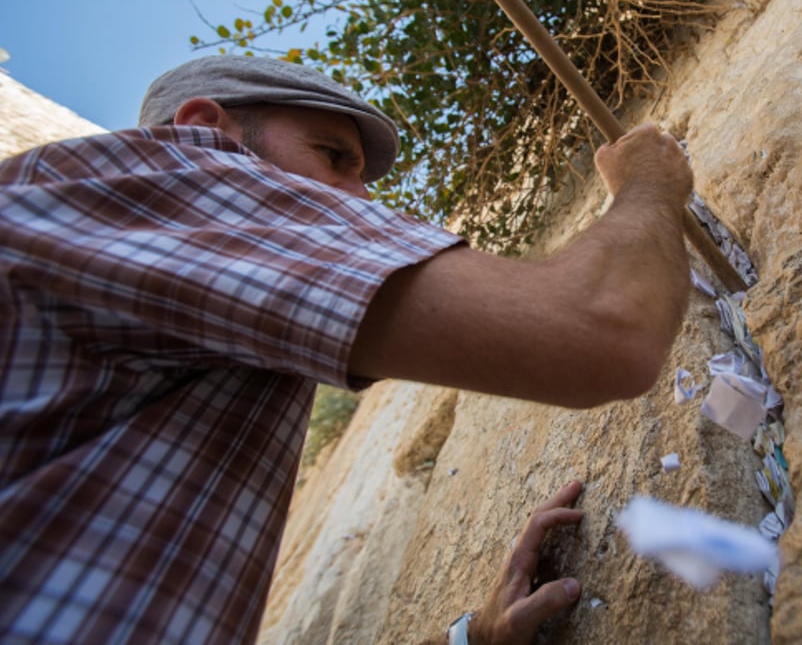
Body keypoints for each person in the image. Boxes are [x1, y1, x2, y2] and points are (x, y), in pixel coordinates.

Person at [0, 55, 693, 644]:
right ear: (202, 128)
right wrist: (650, 185)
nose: (362, 200)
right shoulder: (169, 180)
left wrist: (472, 635)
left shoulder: (144, 294)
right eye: (332, 156)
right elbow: (601, 333)